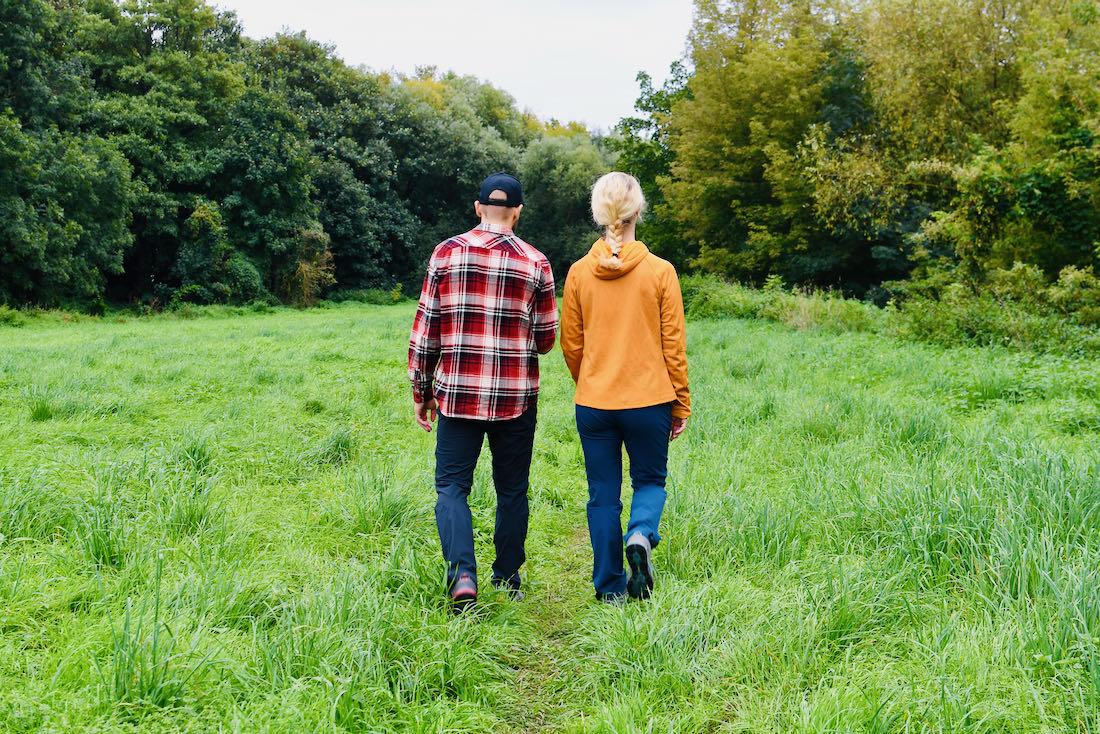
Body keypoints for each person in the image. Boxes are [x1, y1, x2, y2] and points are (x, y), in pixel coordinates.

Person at [408, 172, 558, 610]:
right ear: (517, 211)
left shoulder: (446, 253)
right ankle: (508, 577)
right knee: (512, 488)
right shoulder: (537, 262)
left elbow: (425, 329)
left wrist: (422, 390)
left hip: (455, 393)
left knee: (452, 487)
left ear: (477, 208)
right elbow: (546, 338)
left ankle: (462, 577)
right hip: (515, 397)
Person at [560, 171, 691, 603]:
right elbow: (673, 346)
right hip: (650, 400)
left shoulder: (579, 273)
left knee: (602, 497)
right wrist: (681, 403)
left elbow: (571, 344)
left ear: (599, 213)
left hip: (594, 402)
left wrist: (591, 382)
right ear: (638, 211)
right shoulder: (661, 271)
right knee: (650, 481)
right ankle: (640, 533)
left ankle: (610, 588)